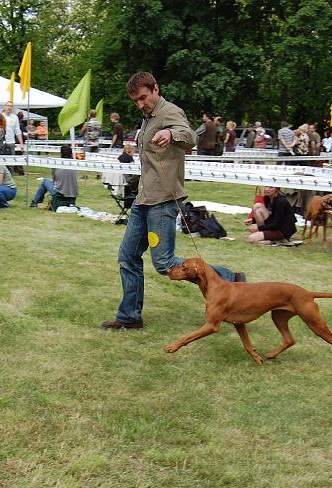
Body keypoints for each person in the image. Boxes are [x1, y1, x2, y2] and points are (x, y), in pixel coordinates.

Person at [101, 72, 243, 330]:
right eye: (135, 100)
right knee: (128, 256)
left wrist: (170, 133)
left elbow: (190, 136)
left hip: (162, 201)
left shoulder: (169, 112)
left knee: (164, 262)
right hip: (144, 199)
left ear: (156, 89)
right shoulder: (147, 117)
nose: (140, 104)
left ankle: (230, 279)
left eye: (143, 97)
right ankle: (130, 317)